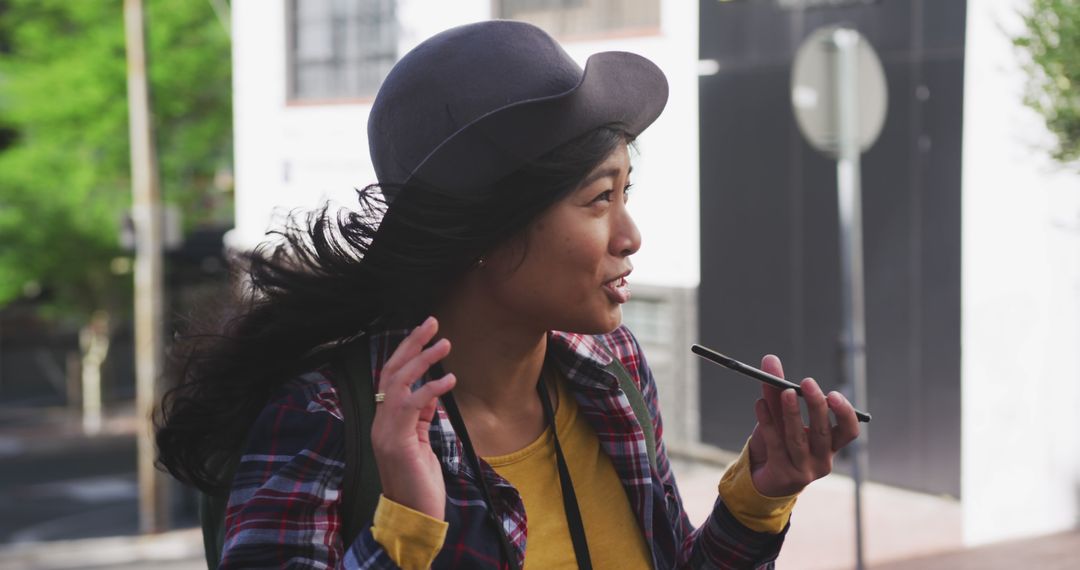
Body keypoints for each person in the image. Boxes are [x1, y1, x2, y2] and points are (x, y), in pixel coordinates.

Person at [155, 20, 859, 570]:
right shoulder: (325, 417)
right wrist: (404, 525)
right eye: (598, 200)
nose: (631, 235)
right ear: (484, 230)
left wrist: (760, 496)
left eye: (627, 193)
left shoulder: (607, 366)